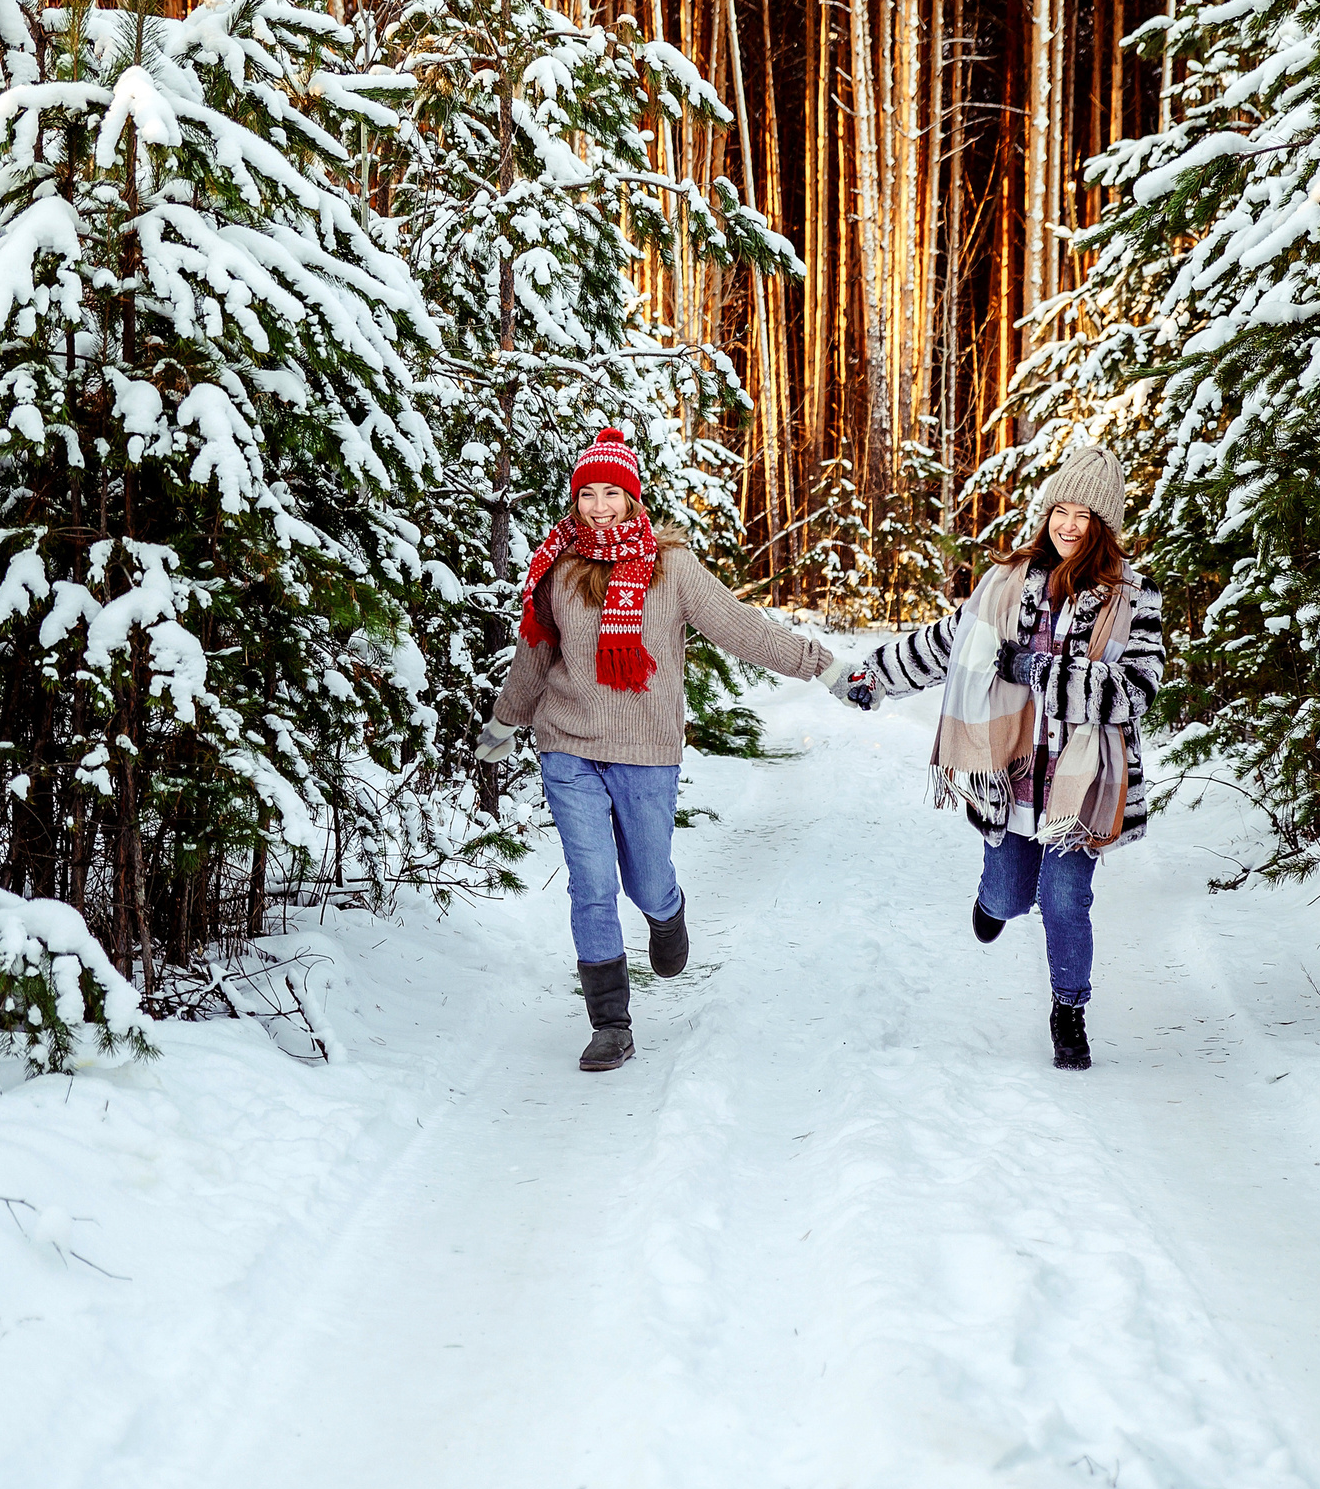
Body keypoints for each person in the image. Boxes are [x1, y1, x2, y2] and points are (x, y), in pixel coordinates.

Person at [478, 427, 854, 1072]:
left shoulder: (671, 568)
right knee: (592, 887)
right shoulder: (557, 569)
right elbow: (536, 656)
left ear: (633, 499)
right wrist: (505, 722)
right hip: (567, 746)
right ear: (575, 500)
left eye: (612, 493)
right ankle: (611, 1026)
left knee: (645, 881)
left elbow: (742, 630)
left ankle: (667, 911)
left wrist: (821, 666)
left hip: (646, 750)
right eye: (588, 494)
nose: (599, 506)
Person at [832, 443, 1166, 1070]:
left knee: (1067, 900)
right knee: (1015, 898)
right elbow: (945, 646)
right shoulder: (1006, 584)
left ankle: (1069, 1012)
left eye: (1083, 515)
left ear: (1104, 526)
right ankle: (994, 900)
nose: (1067, 525)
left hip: (1079, 784)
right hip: (1009, 775)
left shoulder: (1134, 600)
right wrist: (873, 677)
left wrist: (1041, 670)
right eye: (1059, 510)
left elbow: (1137, 692)